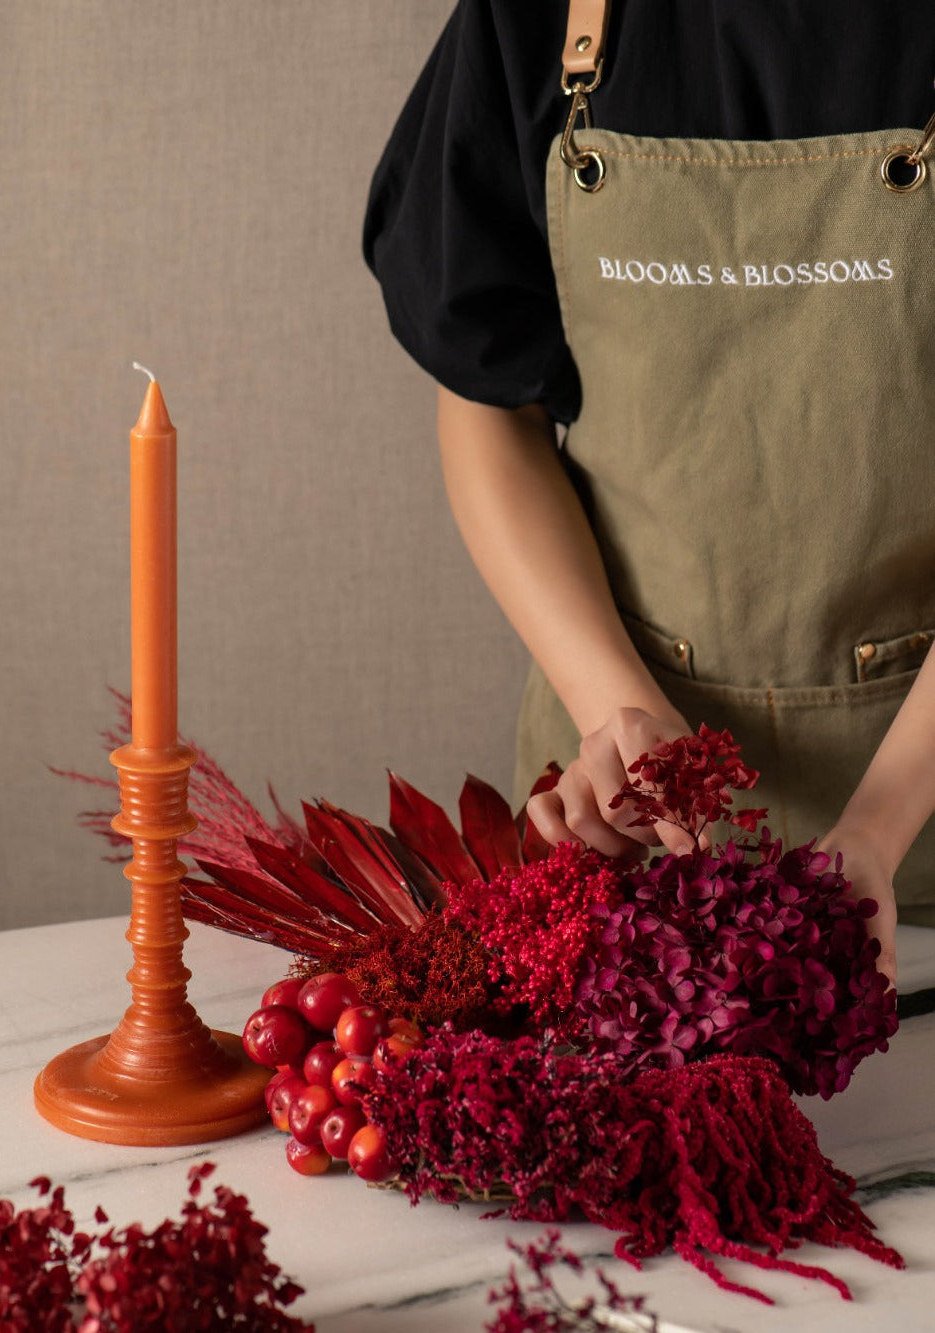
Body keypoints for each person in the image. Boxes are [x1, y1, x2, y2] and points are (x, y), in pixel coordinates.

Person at [364, 0, 935, 986]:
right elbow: (490, 407)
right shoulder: (538, 17)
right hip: (612, 828)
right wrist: (618, 718)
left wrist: (878, 827)